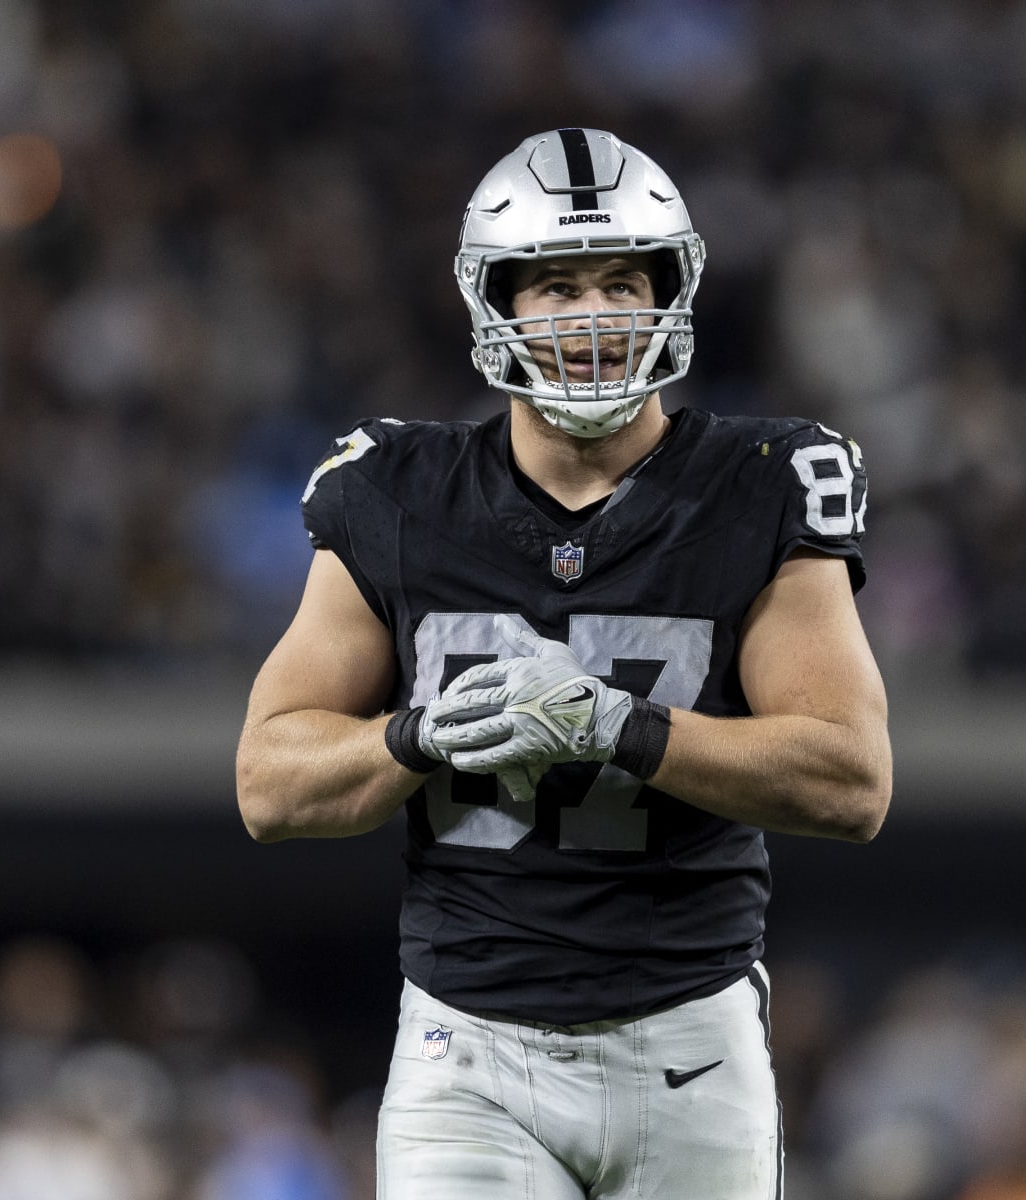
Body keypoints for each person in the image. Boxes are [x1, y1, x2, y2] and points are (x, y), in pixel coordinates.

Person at [235, 128, 893, 1200]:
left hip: (689, 1039)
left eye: (621, 281)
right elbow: (267, 781)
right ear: (496, 303)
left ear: (672, 292)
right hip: (470, 1053)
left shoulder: (766, 479)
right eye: (555, 288)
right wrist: (417, 733)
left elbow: (851, 778)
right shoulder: (397, 487)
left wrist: (616, 726)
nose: (592, 317)